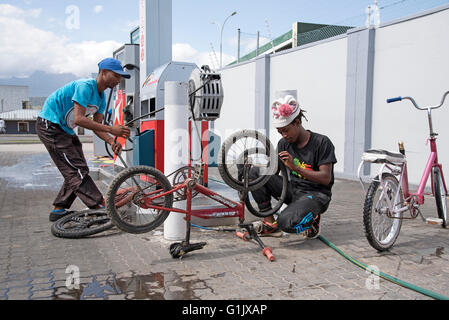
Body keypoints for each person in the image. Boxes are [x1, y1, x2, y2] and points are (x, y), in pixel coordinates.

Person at [36, 58, 131, 222]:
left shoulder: (101, 98)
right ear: (103, 72)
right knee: (75, 169)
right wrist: (112, 129)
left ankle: (59, 208)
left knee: (79, 168)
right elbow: (79, 119)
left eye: (120, 78)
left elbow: (96, 125)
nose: (118, 80)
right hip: (50, 124)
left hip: (64, 129)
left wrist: (110, 141)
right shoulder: (85, 86)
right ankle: (99, 206)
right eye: (116, 76)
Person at [250, 94, 337, 239]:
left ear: (297, 122)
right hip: (293, 190)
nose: (283, 135)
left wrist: (295, 167)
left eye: (285, 130)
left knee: (287, 223)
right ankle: (270, 224)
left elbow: (326, 178)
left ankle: (313, 219)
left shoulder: (322, 142)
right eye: (280, 132)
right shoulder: (284, 144)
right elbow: (272, 172)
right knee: (255, 174)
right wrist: (252, 170)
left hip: (316, 195)